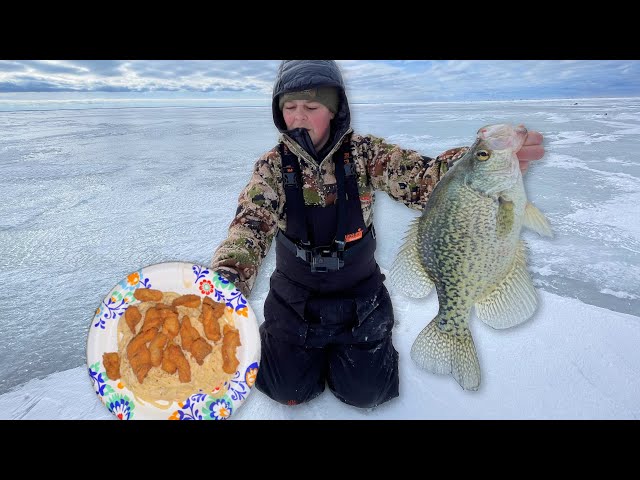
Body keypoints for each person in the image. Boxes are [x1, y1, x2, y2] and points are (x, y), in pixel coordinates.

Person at [211, 60, 544, 409]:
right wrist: (226, 283)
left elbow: (424, 181)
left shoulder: (366, 154)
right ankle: (293, 350)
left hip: (359, 293)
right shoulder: (273, 167)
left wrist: (477, 165)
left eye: (311, 107)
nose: (299, 117)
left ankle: (361, 350)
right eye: (289, 108)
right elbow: (250, 225)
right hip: (296, 295)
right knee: (285, 390)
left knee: (367, 394)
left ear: (334, 108)